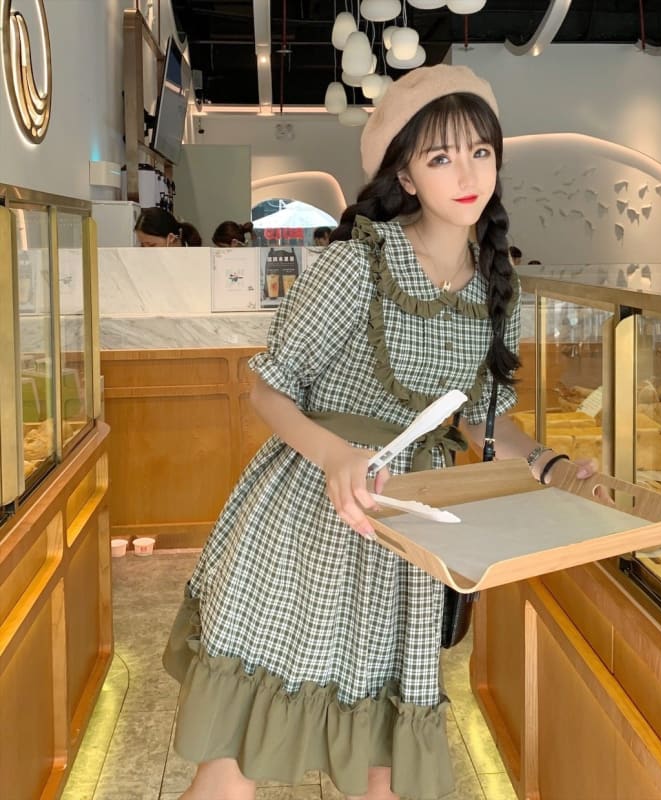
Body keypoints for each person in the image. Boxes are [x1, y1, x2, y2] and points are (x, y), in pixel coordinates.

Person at [162, 64, 591, 800]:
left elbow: (479, 418)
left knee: (387, 759)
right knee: (238, 752)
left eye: (480, 152)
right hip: (313, 515)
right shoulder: (357, 263)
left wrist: (551, 465)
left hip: (411, 531)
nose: (467, 174)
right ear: (406, 175)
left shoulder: (499, 285)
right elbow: (267, 386)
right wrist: (338, 456)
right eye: (440, 157)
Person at [134, 207, 202, 247]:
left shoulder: (195, 261)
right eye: (142, 246)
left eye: (151, 245)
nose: (146, 252)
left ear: (171, 238)